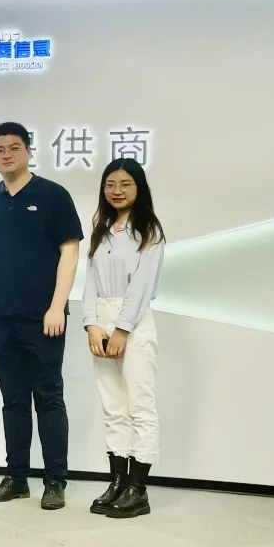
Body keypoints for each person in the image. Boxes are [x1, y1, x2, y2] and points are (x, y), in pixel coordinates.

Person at [0, 122, 83, 510]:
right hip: (0, 319)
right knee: (13, 400)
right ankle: (17, 477)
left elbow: (70, 251)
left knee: (48, 398)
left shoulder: (53, 195)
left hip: (44, 319)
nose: (6, 155)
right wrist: (6, 279)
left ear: (29, 151)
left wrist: (56, 305)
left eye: (14, 147)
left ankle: (55, 480)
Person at [83, 158, 165, 518]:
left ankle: (138, 488)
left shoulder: (149, 232)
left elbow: (142, 287)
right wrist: (91, 324)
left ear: (139, 188)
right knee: (113, 406)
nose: (116, 191)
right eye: (110, 184)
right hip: (101, 320)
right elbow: (90, 282)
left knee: (139, 406)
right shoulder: (101, 229)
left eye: (125, 184)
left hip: (133, 322)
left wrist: (121, 329)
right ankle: (116, 481)